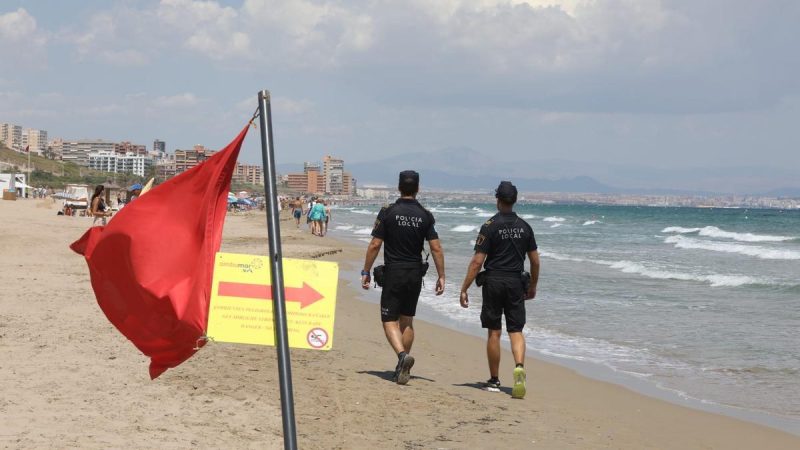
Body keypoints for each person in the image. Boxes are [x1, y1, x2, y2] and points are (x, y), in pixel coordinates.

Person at [361, 170, 445, 385]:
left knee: (389, 320)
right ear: (417, 188)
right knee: (407, 320)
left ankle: (401, 357)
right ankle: (402, 366)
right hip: (415, 273)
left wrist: (366, 271)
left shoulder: (388, 211)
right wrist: (441, 276)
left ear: (399, 187)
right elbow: (436, 248)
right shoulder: (425, 215)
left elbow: (375, 244)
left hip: (394, 272)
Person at [459, 181, 540, 399]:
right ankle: (519, 366)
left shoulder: (489, 226)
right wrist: (533, 285)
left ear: (497, 200)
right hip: (515, 282)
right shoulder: (525, 227)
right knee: (516, 330)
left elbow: (477, 262)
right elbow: (535, 261)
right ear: (514, 200)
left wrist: (465, 288)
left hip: (494, 282)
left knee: (494, 331)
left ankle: (494, 380)